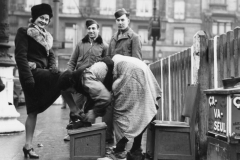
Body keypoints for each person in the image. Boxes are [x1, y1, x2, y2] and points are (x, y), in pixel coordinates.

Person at [14, 3, 62, 159]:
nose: (44, 22)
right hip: (31, 74)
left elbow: (52, 55)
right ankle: (75, 112)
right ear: (34, 18)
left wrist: (53, 66)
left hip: (42, 74)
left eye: (47, 19)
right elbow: (20, 56)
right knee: (64, 79)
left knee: (33, 111)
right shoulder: (24, 32)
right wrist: (27, 77)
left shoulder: (46, 36)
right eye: (42, 18)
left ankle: (28, 146)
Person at [96, 55, 161, 160]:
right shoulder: (111, 62)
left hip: (132, 72)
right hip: (140, 69)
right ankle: (136, 150)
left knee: (121, 114)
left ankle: (120, 150)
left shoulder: (105, 71)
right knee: (141, 112)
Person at [61, 19, 109, 140]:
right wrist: (70, 76)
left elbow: (106, 64)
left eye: (94, 28)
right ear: (87, 30)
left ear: (98, 29)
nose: (91, 31)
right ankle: (71, 131)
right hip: (78, 81)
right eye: (89, 29)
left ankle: (88, 131)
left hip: (93, 81)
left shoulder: (104, 46)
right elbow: (72, 61)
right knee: (76, 105)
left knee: (90, 107)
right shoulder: (80, 44)